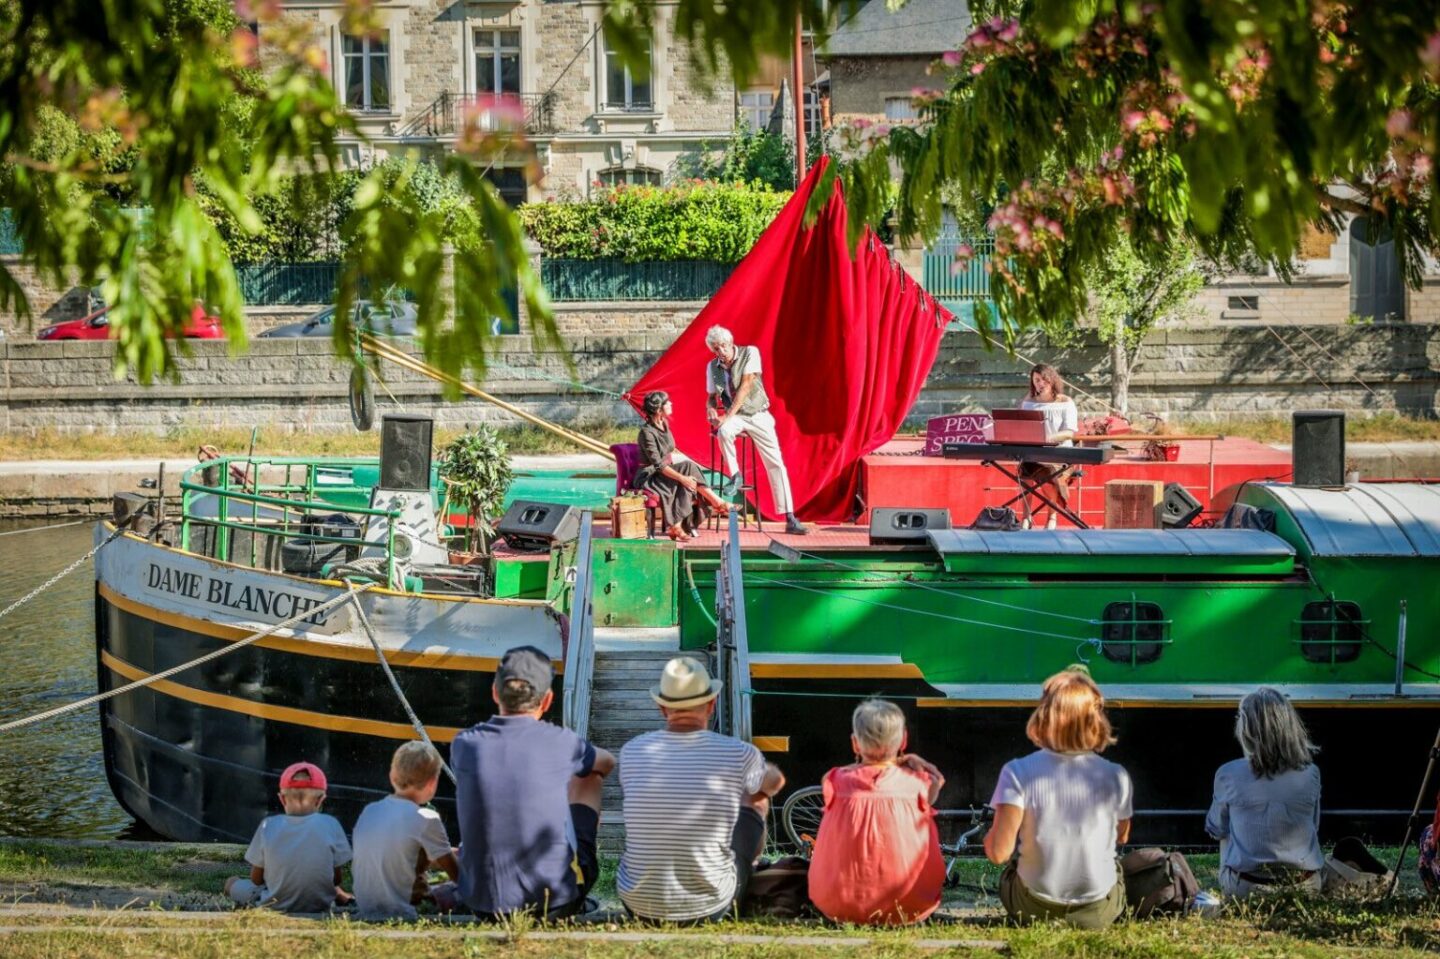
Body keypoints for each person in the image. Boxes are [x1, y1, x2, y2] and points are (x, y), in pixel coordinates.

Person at [450, 645, 615, 920]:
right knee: (588, 776)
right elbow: (607, 762)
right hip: (554, 901)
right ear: (548, 700)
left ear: (494, 692)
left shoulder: (463, 744)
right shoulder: (560, 741)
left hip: (482, 904)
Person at [618, 656, 786, 923]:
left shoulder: (632, 751)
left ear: (662, 708)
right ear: (712, 704)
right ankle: (743, 869)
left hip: (637, 904)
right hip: (710, 908)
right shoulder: (739, 753)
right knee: (755, 797)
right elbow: (774, 782)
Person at [983, 668, 1132, 929]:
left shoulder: (1017, 771)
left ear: (1044, 715)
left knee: (1015, 864)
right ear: (1095, 719)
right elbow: (1122, 837)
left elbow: (998, 854)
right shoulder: (1116, 775)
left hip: (1031, 909)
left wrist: (993, 837)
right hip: (1098, 911)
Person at [808, 699, 947, 926]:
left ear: (855, 744)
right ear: (903, 740)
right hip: (910, 906)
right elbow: (938, 780)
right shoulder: (919, 784)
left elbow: (840, 777)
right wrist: (917, 761)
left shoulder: (834, 780)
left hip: (837, 905)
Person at [1206, 687, 1324, 899]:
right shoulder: (1311, 773)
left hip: (1247, 888)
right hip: (1306, 885)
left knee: (1227, 829)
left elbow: (1217, 829)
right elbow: (1313, 826)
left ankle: (1230, 881)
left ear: (1246, 728)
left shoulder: (1227, 773)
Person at [704, 325, 809, 535]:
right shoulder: (712, 367)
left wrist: (727, 416)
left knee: (775, 463)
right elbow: (711, 398)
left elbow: (746, 385)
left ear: (731, 343)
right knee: (724, 433)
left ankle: (789, 516)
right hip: (736, 417)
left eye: (723, 346)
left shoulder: (750, 353)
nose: (720, 352)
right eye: (716, 348)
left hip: (757, 413)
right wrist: (712, 411)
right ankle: (735, 476)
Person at [351, 741, 461, 921]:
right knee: (455, 891)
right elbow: (458, 877)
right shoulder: (427, 817)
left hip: (365, 907)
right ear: (432, 784)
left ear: (392, 775)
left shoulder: (370, 810)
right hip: (399, 913)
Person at [225, 761, 353, 913]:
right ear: (320, 800)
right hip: (320, 904)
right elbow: (336, 879)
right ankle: (343, 897)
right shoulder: (331, 824)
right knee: (329, 886)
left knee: (231, 882)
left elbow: (256, 880)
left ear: (282, 799)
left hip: (273, 904)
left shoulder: (268, 825)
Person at [638, 390, 732, 542]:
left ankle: (676, 526)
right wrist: (682, 477)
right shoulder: (646, 433)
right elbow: (658, 465)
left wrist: (683, 478)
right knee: (687, 470)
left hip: (665, 471)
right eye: (667, 402)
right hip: (649, 476)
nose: (671, 403)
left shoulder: (664, 424)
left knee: (687, 478)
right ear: (658, 409)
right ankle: (717, 502)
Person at [1017, 363, 1079, 529]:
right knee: (1023, 470)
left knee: (1048, 472)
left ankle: (1052, 517)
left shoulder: (1066, 402)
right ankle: (1026, 517)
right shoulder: (1028, 402)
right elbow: (1020, 426)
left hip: (1060, 454)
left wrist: (1048, 438)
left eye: (1044, 379)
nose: (1040, 383)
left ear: (1052, 381)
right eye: (1036, 380)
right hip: (1034, 453)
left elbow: (1069, 433)